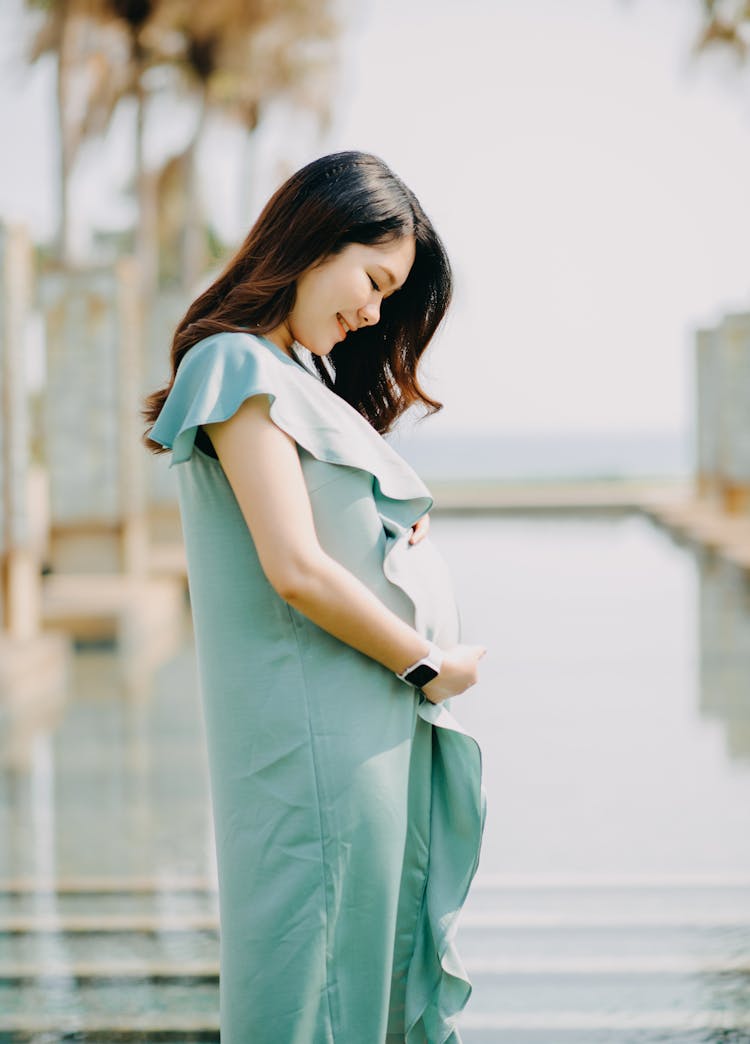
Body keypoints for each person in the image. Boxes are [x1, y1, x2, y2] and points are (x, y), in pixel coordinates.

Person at [142, 150, 486, 1044]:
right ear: (316, 239)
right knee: (305, 986)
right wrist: (429, 665)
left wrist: (391, 539)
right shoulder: (232, 366)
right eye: (373, 281)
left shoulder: (305, 381)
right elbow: (292, 565)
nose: (374, 313)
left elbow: (326, 531)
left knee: (360, 983)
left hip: (365, 733)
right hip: (315, 746)